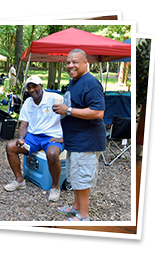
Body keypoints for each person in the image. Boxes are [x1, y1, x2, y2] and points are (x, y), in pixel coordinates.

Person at [52, 49, 105, 221]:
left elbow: (98, 112)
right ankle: (76, 207)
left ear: (85, 62)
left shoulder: (91, 83)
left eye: (75, 62)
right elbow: (74, 109)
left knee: (82, 178)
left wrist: (67, 110)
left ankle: (83, 215)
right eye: (68, 62)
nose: (70, 65)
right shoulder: (75, 81)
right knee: (74, 176)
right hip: (74, 140)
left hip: (86, 141)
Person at [3, 75, 64, 202]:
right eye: (29, 87)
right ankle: (20, 180)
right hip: (34, 137)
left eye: (34, 86)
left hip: (52, 136)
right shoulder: (28, 103)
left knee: (52, 154)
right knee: (11, 146)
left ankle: (55, 187)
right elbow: (24, 124)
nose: (31, 90)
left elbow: (68, 117)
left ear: (41, 86)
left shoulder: (55, 98)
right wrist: (20, 137)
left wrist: (64, 137)